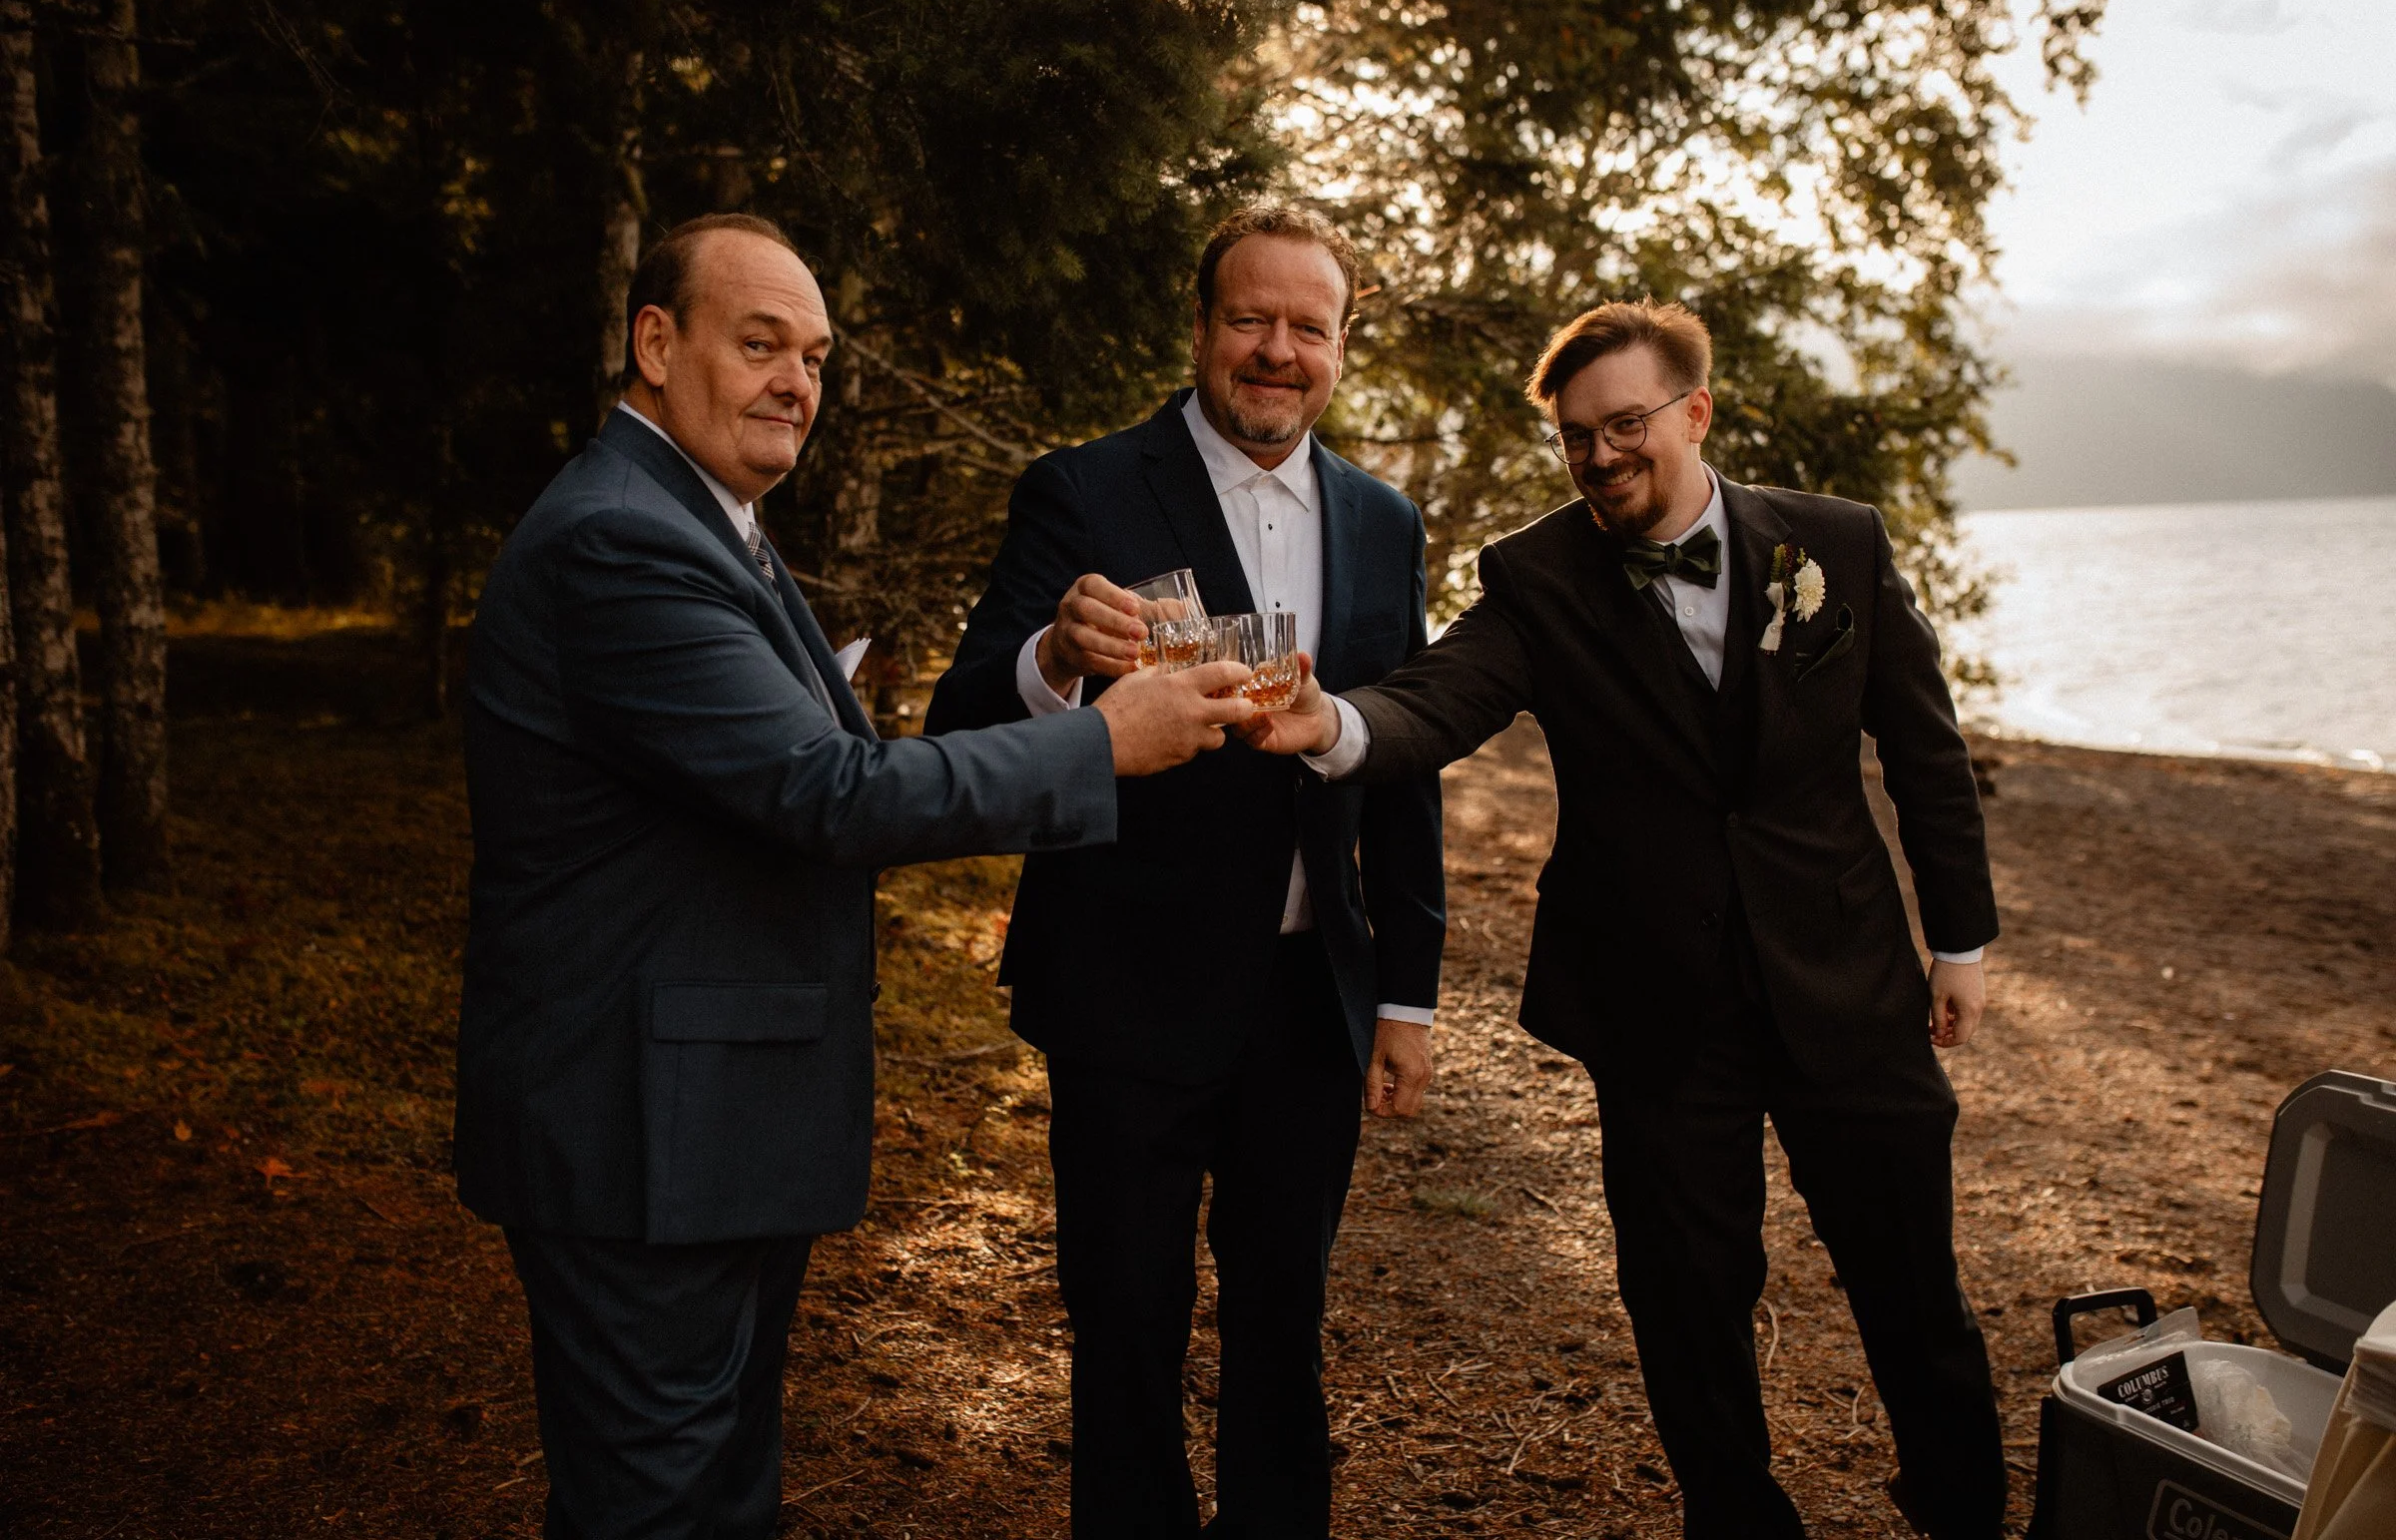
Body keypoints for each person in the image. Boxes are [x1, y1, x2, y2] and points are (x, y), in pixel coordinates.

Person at [453, 213, 1255, 1540]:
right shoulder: (621, 538)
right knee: (655, 1501)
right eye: (759, 344)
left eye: (816, 357)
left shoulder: (711, 523)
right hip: (640, 1127)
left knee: (717, 1485)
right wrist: (1102, 744)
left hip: (707, 1116)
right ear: (654, 344)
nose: (796, 384)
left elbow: (774, 770)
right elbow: (829, 796)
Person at [1245, 299, 2006, 1539]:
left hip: (1847, 983)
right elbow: (1442, 699)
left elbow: (1927, 751)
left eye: (1627, 425)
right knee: (1688, 1302)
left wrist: (1960, 942)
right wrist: (1332, 725)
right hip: (1658, 1009)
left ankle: (1965, 1510)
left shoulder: (1839, 544)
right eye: (1576, 437)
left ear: (1695, 413)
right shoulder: (1537, 578)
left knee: (1915, 1287)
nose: (1602, 456)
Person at [923, 203, 1447, 1538]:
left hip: (1307, 1006)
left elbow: (1399, 761)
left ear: (1341, 347)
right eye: (1250, 319)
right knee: (1127, 1329)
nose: (1277, 350)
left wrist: (1408, 993)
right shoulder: (1086, 490)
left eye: (1307, 328)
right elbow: (960, 718)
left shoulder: (1384, 522)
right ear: (1204, 327)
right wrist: (1057, 659)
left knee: (1286, 1322)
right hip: (1125, 991)